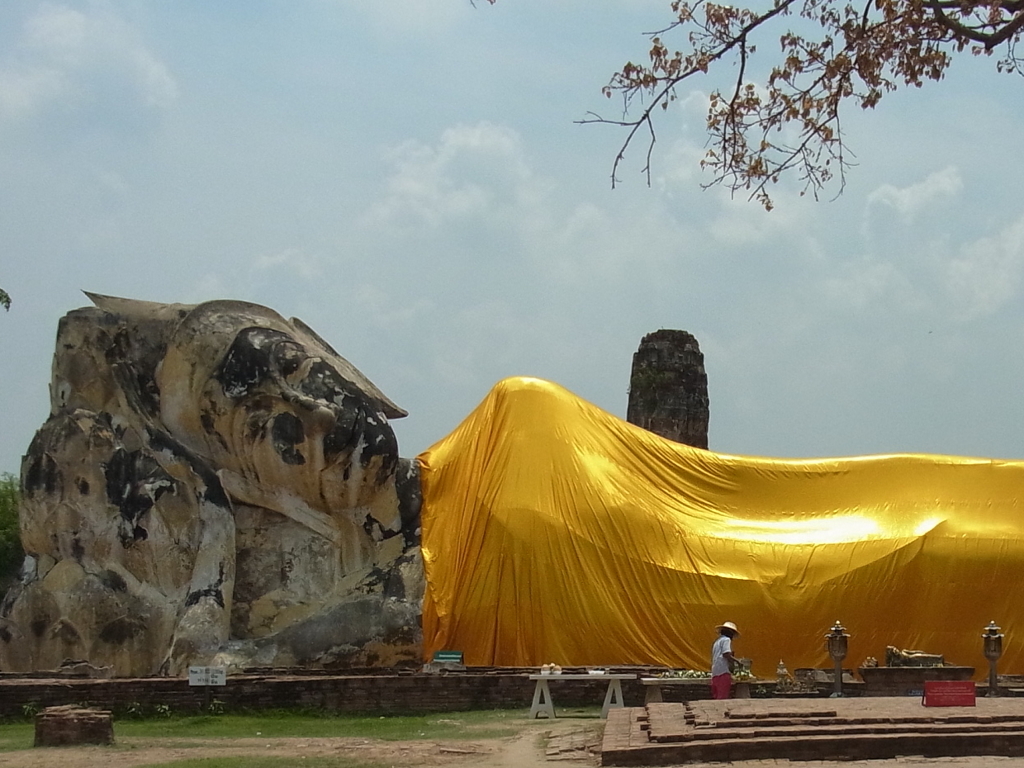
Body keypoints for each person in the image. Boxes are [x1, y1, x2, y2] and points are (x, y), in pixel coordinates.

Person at [711, 621, 740, 699]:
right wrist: (737, 661)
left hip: (715, 671)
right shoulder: (726, 640)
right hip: (723, 671)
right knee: (722, 696)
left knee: (717, 696)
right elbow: (726, 654)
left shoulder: (717, 642)